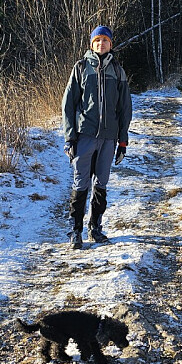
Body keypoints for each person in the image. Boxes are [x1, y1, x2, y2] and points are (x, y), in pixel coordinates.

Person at [62, 25, 133, 249]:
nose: (101, 44)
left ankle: (95, 228)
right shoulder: (81, 68)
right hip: (85, 135)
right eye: (97, 40)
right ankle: (75, 231)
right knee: (81, 183)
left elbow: (125, 108)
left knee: (101, 184)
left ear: (111, 44)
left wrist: (122, 141)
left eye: (105, 40)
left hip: (109, 138)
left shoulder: (118, 71)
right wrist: (70, 137)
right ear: (91, 44)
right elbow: (68, 105)